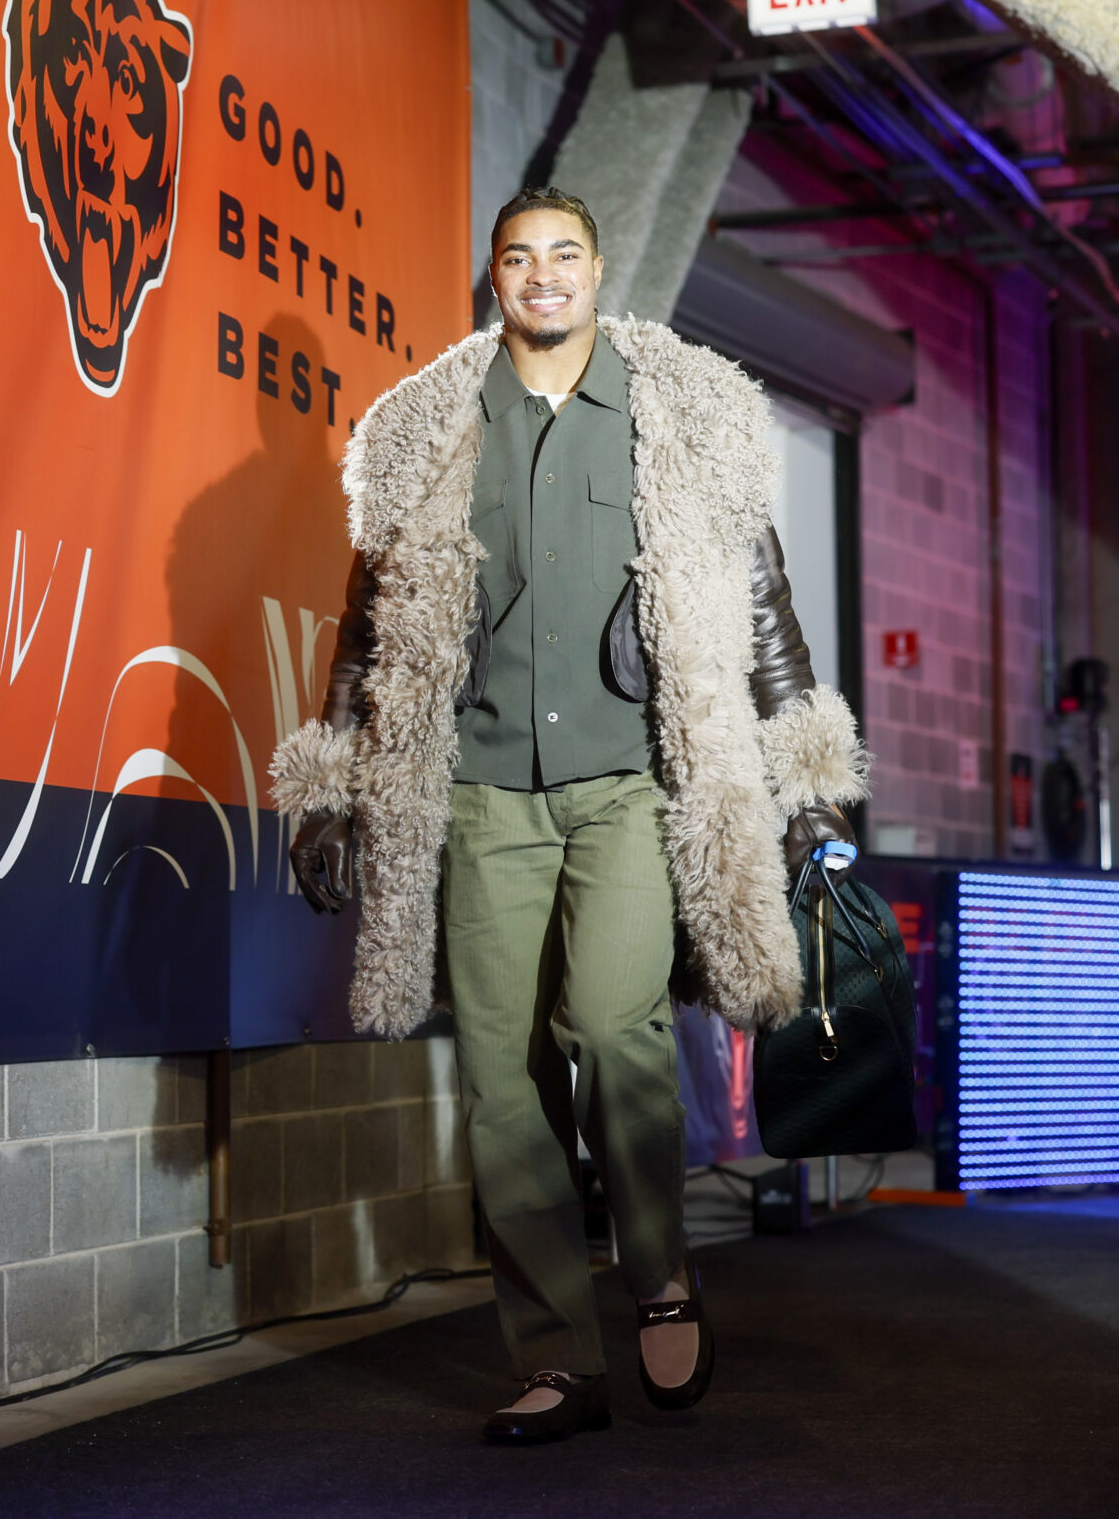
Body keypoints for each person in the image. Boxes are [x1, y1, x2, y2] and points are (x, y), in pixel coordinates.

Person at [270, 187, 868, 1443]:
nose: (540, 277)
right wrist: (331, 788)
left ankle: (656, 1272)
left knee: (613, 1025)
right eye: (517, 258)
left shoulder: (684, 411)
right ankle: (552, 1355)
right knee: (501, 1078)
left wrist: (807, 792)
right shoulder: (428, 430)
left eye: (563, 256)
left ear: (595, 272)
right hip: (483, 795)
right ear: (493, 277)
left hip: (630, 789)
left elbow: (762, 611)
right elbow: (370, 624)